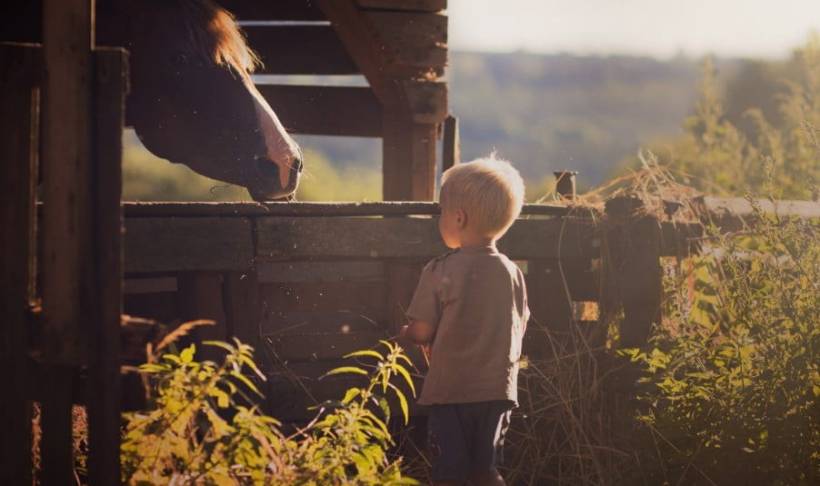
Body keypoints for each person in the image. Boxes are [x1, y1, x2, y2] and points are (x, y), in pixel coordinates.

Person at [400, 155, 529, 486]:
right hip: (498, 390)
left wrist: (407, 333)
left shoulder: (440, 269)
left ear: (458, 218)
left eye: (442, 212)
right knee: (485, 470)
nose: (440, 219)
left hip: (452, 392)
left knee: (449, 473)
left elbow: (422, 329)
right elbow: (520, 322)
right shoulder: (511, 272)